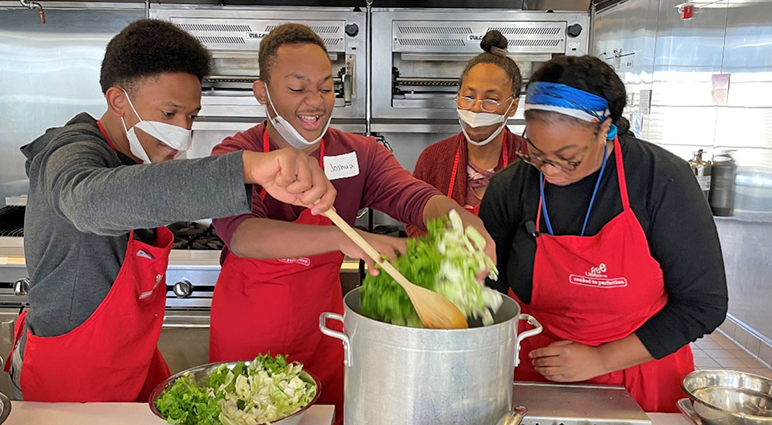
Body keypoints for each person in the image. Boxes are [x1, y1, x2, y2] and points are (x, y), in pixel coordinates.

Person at [5, 19, 335, 403]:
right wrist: (246, 167)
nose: (182, 131)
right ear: (117, 101)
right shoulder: (69, 151)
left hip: (134, 362)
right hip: (69, 374)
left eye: (191, 117)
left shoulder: (133, 158)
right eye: (169, 114)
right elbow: (90, 203)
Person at [207, 23, 495, 424]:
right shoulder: (237, 155)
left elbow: (413, 197)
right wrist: (345, 238)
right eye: (297, 88)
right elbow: (243, 236)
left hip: (323, 333)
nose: (316, 101)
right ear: (262, 93)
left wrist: (459, 221)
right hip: (249, 333)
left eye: (326, 88)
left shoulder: (359, 154)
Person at [479, 55, 728, 412]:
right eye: (535, 153)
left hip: (639, 370)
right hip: (536, 366)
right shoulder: (512, 187)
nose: (549, 171)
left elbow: (704, 304)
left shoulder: (659, 180)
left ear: (605, 128)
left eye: (569, 157)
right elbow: (490, 287)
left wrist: (602, 359)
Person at [407, 31, 524, 236]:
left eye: (491, 99)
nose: (476, 108)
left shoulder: (529, 160)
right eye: (468, 97)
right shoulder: (432, 159)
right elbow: (414, 220)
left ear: (512, 107)